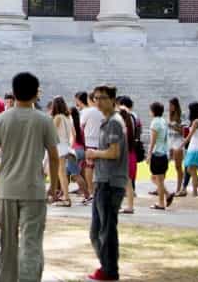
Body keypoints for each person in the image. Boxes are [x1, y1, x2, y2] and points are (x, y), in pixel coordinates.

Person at [0, 72, 59, 282]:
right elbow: (54, 157)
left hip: (6, 188)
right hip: (34, 189)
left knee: (8, 244)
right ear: (36, 93)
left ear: (14, 93)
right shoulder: (44, 120)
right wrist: (55, 186)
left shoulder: (0, 119)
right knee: (31, 243)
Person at [85, 84, 127, 282]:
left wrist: (95, 153)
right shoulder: (106, 122)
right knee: (97, 229)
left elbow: (114, 152)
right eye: (96, 98)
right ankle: (106, 266)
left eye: (102, 97)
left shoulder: (114, 123)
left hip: (111, 182)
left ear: (112, 99)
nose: (98, 101)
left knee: (106, 229)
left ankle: (110, 270)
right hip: (102, 180)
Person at [116, 96, 141, 215]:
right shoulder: (131, 126)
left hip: (123, 157)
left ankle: (120, 205)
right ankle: (129, 206)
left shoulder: (121, 129)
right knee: (128, 183)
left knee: (120, 183)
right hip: (131, 155)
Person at [78, 91, 102, 204]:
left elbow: (81, 126)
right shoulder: (104, 111)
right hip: (101, 143)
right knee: (99, 169)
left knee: (89, 167)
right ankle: (99, 193)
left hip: (89, 142)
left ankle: (91, 192)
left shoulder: (87, 111)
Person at [50, 96, 74, 207]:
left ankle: (66, 197)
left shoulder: (58, 117)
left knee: (61, 173)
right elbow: (73, 134)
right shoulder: (67, 117)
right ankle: (64, 196)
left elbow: (51, 133)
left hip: (58, 146)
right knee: (62, 173)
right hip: (65, 145)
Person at [148, 101, 172, 210]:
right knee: (156, 178)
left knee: (158, 179)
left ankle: (161, 203)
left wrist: (149, 154)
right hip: (164, 153)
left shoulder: (155, 122)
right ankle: (167, 194)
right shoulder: (163, 121)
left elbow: (153, 141)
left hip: (157, 153)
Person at [167, 97, 186, 196]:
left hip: (178, 143)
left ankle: (180, 188)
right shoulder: (170, 115)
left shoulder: (181, 116)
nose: (169, 107)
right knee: (165, 165)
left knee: (178, 166)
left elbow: (183, 131)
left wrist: (173, 126)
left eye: (171, 105)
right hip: (170, 143)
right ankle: (160, 187)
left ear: (175, 106)